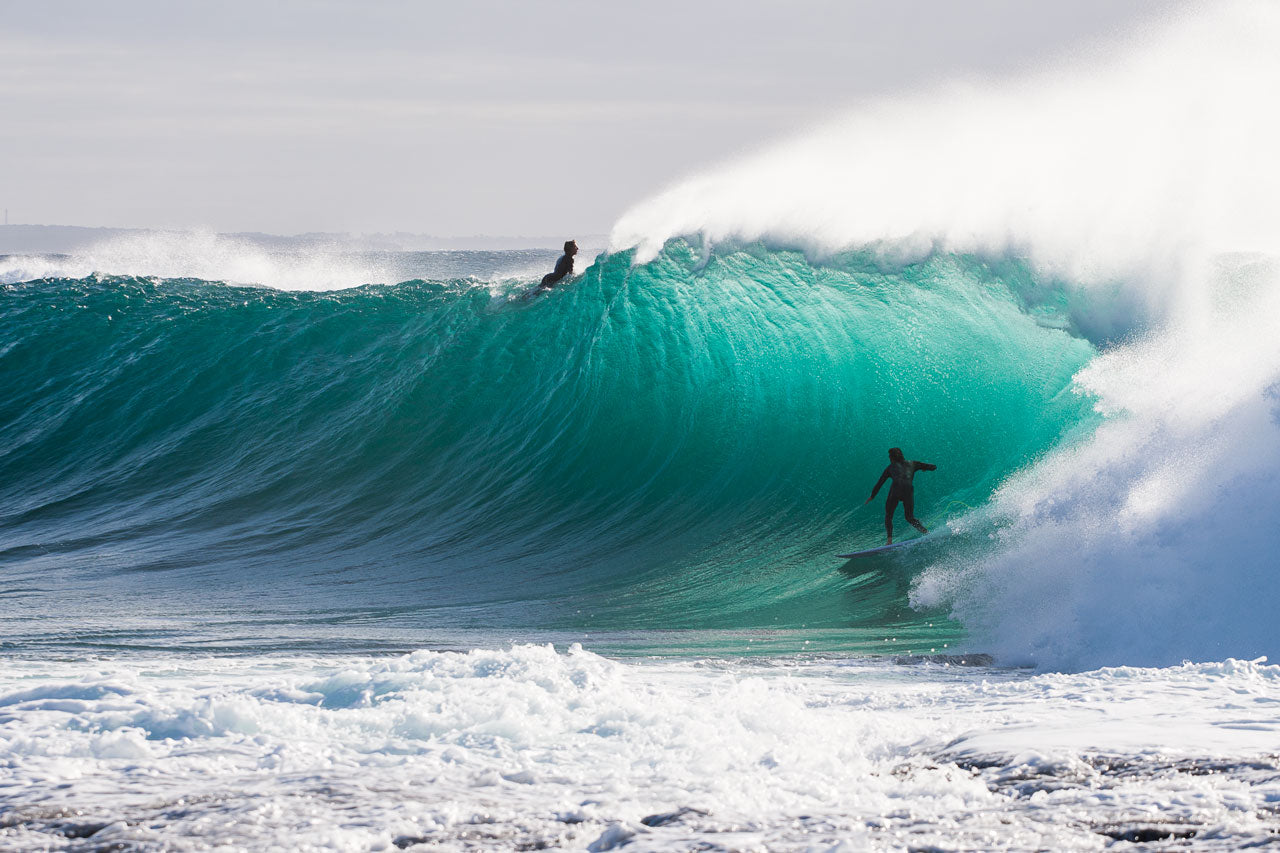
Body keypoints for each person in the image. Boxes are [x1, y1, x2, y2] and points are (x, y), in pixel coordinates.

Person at [864, 447, 936, 545]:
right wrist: (924, 468)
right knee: (909, 517)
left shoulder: (890, 468)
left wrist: (872, 496)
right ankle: (927, 533)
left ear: (892, 457)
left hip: (896, 491)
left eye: (889, 456)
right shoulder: (913, 463)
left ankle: (889, 540)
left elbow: (880, 483)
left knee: (889, 516)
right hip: (908, 492)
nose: (889, 458)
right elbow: (933, 467)